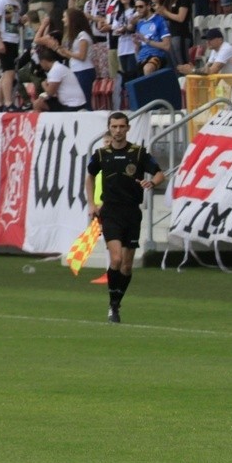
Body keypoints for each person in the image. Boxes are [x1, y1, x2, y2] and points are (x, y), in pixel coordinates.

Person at [85, 111, 165, 324]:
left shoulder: (138, 153)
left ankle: (117, 302)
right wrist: (92, 204)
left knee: (127, 266)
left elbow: (159, 173)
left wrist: (152, 183)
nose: (118, 131)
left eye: (122, 127)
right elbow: (90, 177)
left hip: (132, 212)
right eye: (114, 127)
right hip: (111, 211)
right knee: (117, 258)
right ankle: (112, 305)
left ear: (128, 128)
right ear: (109, 129)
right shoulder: (101, 154)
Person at [178, 27, 232, 107]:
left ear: (220, 40)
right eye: (206, 40)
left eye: (210, 39)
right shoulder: (214, 50)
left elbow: (212, 71)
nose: (207, 42)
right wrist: (194, 70)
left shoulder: (226, 49)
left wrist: (193, 70)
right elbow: (207, 68)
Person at [33, 46, 87, 111]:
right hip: (71, 102)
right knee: (39, 102)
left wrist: (44, 84)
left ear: (43, 61)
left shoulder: (55, 70)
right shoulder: (59, 67)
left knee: (37, 104)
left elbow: (50, 93)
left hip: (73, 105)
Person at [133, 0, 171, 76]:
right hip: (142, 58)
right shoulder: (139, 23)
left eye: (140, 6)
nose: (138, 9)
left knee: (148, 68)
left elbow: (167, 45)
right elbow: (138, 47)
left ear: (148, 6)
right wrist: (137, 44)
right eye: (136, 7)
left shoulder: (159, 20)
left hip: (156, 55)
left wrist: (147, 41)